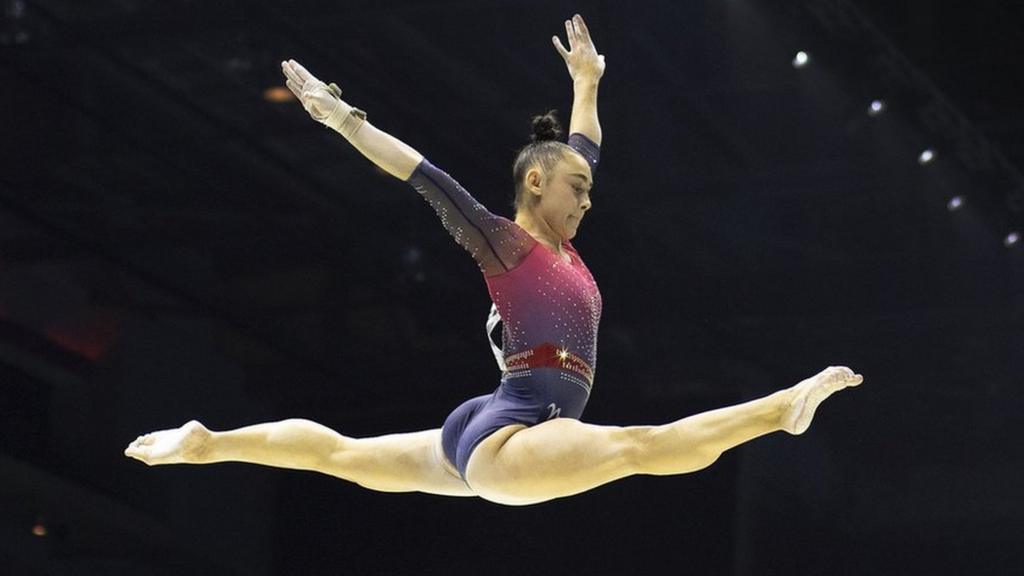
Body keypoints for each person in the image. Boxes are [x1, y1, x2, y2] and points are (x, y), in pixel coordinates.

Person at [125, 14, 862, 506]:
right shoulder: (503, 245)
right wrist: (342, 117)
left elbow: (585, 144)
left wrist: (587, 83)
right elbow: (421, 174)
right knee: (643, 446)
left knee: (342, 455)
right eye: (577, 188)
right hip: (512, 436)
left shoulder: (562, 241)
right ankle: (779, 412)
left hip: (489, 422)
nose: (588, 198)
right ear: (534, 184)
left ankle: (207, 443)